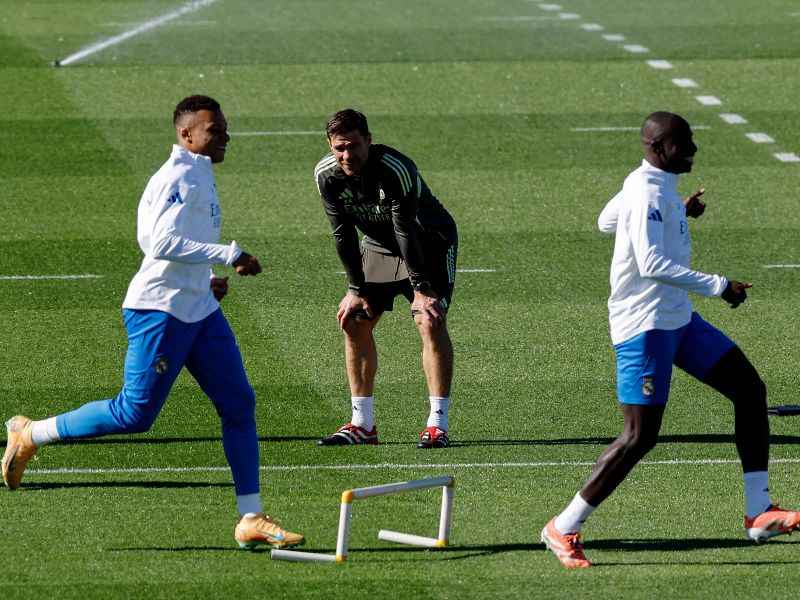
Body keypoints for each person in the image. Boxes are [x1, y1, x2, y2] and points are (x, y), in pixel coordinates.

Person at [2, 95, 304, 550]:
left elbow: (175, 242)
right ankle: (30, 434)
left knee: (239, 403)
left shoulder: (196, 174)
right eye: (215, 130)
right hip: (159, 311)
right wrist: (230, 255)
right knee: (134, 414)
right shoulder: (179, 176)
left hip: (197, 308)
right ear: (187, 135)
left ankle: (251, 516)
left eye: (224, 128)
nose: (225, 136)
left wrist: (204, 280)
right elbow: (158, 242)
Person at [541, 111, 800, 568]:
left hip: (678, 321)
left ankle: (759, 511)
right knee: (639, 436)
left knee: (748, 389)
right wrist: (719, 285)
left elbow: (606, 222)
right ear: (659, 149)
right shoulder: (644, 193)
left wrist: (678, 211)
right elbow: (650, 265)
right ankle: (563, 526)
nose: (694, 149)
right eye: (685, 143)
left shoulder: (650, 187)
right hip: (645, 326)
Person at [314, 109, 458, 448]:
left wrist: (422, 289)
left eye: (353, 146)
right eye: (339, 148)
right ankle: (362, 424)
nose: (346, 155)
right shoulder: (326, 175)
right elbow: (342, 234)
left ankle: (437, 424)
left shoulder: (395, 168)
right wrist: (355, 289)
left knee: (429, 320)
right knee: (353, 320)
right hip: (379, 245)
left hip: (428, 243)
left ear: (369, 140)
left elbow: (405, 228)